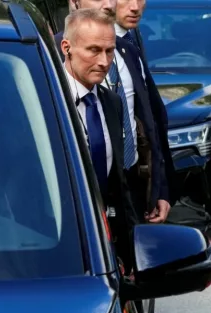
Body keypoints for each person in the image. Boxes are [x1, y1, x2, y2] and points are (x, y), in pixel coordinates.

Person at [60, 8, 141, 270]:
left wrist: (131, 255)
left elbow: (118, 182)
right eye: (93, 50)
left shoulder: (111, 103)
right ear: (67, 47)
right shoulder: (49, 102)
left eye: (109, 51)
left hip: (104, 243)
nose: (104, 61)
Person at [114, 0, 173, 224]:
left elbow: (150, 120)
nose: (135, 7)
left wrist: (160, 189)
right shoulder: (72, 48)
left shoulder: (130, 44)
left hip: (136, 181)